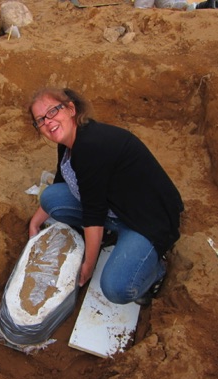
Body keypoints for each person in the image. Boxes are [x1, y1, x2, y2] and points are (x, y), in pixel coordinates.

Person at [29, 87, 184, 306]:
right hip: (116, 207)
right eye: (41, 120)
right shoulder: (68, 142)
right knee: (51, 197)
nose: (48, 122)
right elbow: (60, 183)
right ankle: (113, 233)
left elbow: (93, 214)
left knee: (116, 288)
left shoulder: (91, 146)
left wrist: (88, 267)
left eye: (53, 111)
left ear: (71, 109)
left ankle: (155, 269)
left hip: (145, 220)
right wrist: (34, 224)